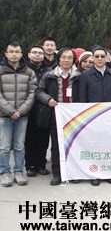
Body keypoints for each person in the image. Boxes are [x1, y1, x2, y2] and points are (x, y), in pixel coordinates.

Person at [79, 46, 111, 186]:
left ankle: (109, 172)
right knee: (94, 146)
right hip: (92, 118)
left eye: (102, 56)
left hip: (110, 117)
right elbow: (82, 98)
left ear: (106, 58)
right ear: (92, 58)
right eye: (96, 56)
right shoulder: (85, 76)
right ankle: (95, 173)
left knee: (109, 145)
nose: (99, 59)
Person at [35, 48, 80, 185]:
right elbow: (39, 91)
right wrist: (48, 99)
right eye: (64, 57)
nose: (66, 60)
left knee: (74, 146)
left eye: (69, 58)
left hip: (74, 118)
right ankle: (57, 173)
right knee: (56, 146)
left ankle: (73, 173)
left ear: (73, 60)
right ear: (59, 59)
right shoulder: (49, 75)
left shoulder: (78, 76)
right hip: (56, 116)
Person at [0, 41, 37, 187]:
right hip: (3, 115)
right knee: (3, 146)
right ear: (6, 53)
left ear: (21, 54)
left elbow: (32, 93)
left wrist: (21, 111)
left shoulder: (28, 72)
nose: (14, 54)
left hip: (22, 115)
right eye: (11, 51)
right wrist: (10, 110)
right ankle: (4, 173)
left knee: (20, 146)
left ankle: (18, 172)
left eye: (17, 51)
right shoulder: (1, 70)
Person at [24, 45, 51, 178]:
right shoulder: (24, 69)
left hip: (45, 108)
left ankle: (41, 164)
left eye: (40, 53)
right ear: (28, 54)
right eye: (34, 52)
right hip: (28, 108)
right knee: (30, 139)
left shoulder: (49, 70)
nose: (37, 55)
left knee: (43, 139)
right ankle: (30, 166)